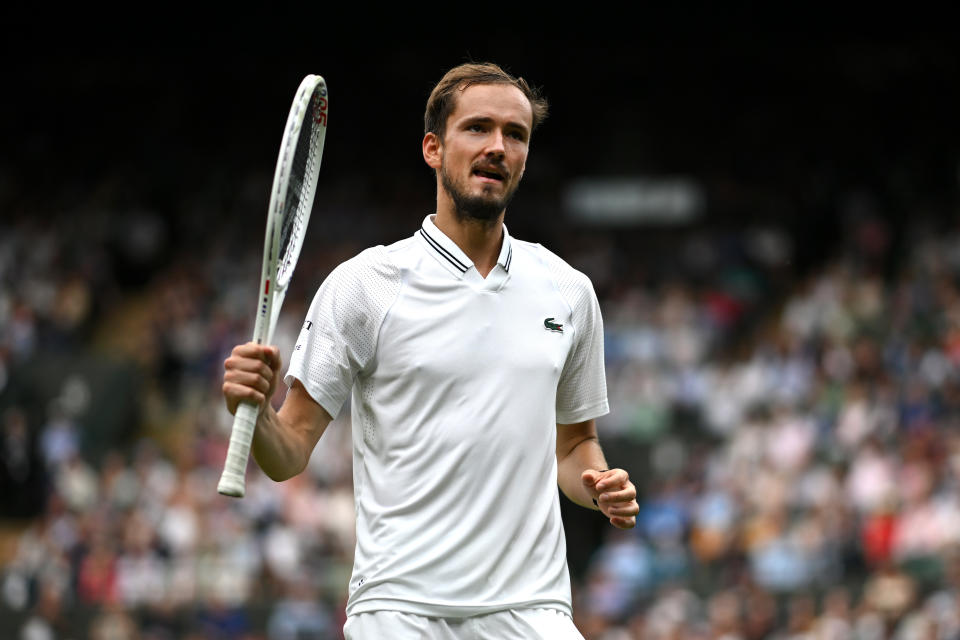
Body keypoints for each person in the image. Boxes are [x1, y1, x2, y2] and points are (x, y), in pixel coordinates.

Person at [222, 62, 639, 639]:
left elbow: (576, 446)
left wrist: (598, 483)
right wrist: (255, 406)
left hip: (534, 608)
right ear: (433, 149)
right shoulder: (365, 284)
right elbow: (287, 452)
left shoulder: (568, 290)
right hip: (400, 609)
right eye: (478, 128)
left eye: (514, 135)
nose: (497, 146)